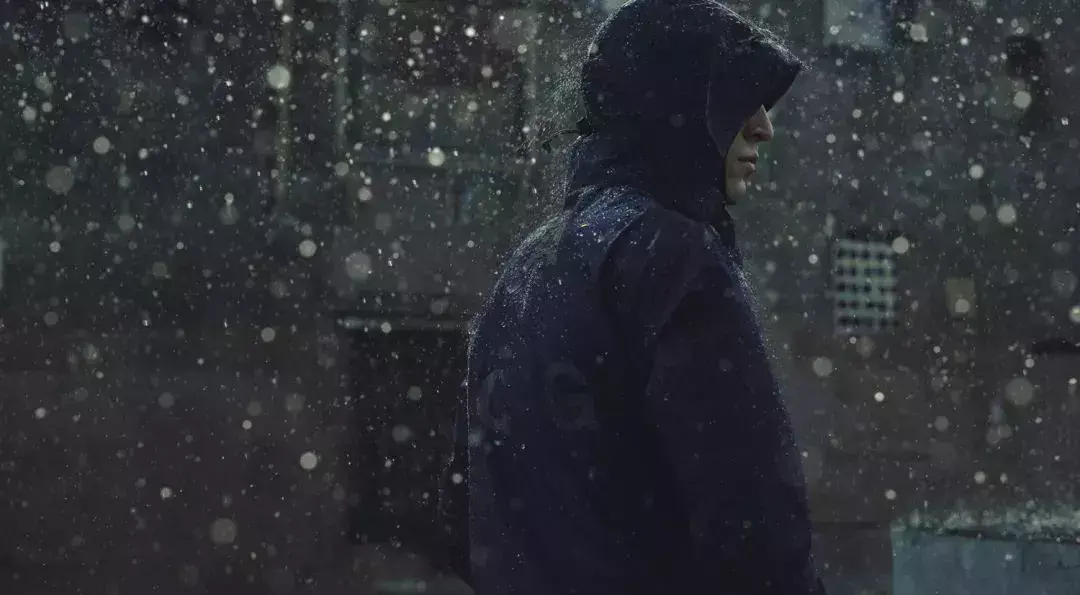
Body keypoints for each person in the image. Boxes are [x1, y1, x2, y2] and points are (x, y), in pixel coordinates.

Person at [462, 1, 826, 593]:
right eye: (736, 97)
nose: (763, 126)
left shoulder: (528, 266)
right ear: (678, 103)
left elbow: (469, 511)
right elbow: (755, 527)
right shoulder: (674, 259)